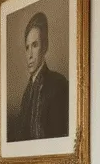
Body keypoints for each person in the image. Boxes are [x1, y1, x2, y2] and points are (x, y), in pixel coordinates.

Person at [10, 11, 68, 141]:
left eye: (35, 45)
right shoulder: (26, 94)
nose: (29, 55)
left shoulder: (59, 85)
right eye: (27, 47)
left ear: (45, 46)